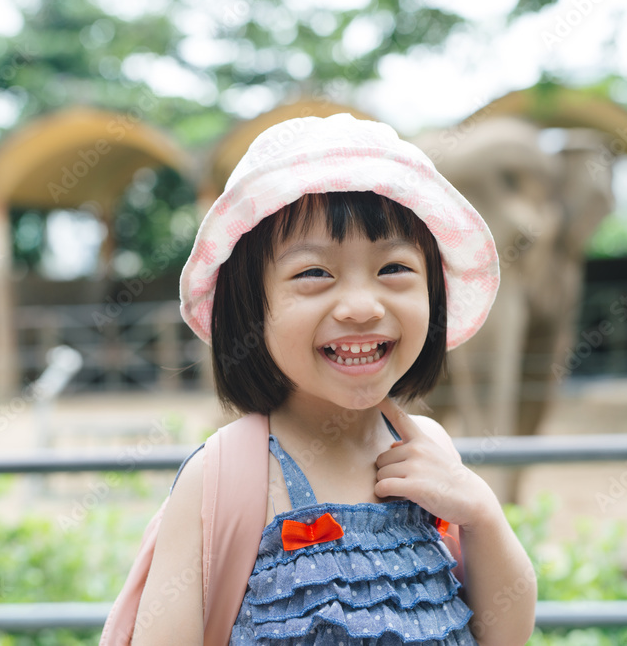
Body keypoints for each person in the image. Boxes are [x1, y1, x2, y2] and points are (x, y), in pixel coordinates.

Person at [132, 113, 537, 645]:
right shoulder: (226, 477)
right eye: (314, 273)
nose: (362, 307)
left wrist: (480, 513)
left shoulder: (427, 448)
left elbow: (503, 635)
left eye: (394, 268)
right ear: (250, 308)